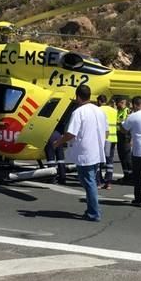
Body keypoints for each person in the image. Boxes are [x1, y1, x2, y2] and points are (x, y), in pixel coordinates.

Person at [53, 84, 107, 221]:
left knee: (89, 182)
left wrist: (58, 142)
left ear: (78, 96)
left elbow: (71, 133)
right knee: (90, 181)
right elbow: (106, 131)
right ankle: (91, 210)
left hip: (85, 152)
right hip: (96, 151)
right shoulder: (99, 111)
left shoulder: (79, 112)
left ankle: (94, 213)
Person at [96, 95, 117, 190]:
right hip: (113, 138)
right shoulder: (113, 110)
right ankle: (108, 183)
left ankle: (99, 182)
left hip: (103, 138)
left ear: (100, 101)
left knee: (99, 160)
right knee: (110, 162)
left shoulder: (98, 110)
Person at [115, 97, 133, 182]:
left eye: (117, 103)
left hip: (125, 135)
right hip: (119, 135)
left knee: (127, 156)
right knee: (122, 156)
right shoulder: (118, 111)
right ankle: (126, 175)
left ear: (122, 103)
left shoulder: (127, 111)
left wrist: (119, 123)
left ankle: (131, 176)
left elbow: (127, 122)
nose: (116, 105)